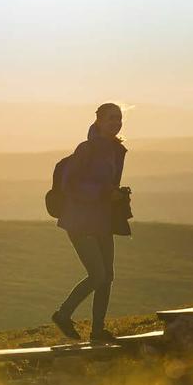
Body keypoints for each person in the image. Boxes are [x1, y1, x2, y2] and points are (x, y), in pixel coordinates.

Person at [51, 103, 132, 343]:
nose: (116, 122)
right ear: (98, 121)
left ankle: (98, 332)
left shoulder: (115, 150)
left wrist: (117, 194)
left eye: (119, 118)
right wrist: (104, 193)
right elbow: (70, 185)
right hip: (80, 221)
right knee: (98, 275)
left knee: (107, 276)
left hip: (103, 221)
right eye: (110, 118)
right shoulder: (86, 149)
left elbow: (105, 184)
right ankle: (63, 314)